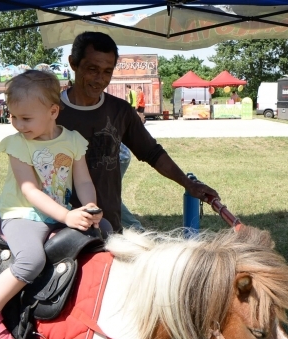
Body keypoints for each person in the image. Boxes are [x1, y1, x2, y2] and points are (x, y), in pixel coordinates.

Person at [0, 70, 104, 339]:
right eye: (13, 116)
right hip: (22, 214)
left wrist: (89, 207)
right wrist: (67, 217)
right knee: (31, 260)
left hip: (58, 213)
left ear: (53, 111)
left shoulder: (73, 140)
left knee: (103, 242)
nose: (18, 124)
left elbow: (82, 181)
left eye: (26, 118)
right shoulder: (19, 144)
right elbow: (30, 190)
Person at [56, 31, 218, 233]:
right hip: (57, 226)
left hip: (107, 226)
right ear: (73, 63)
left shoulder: (120, 111)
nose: (100, 79)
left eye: (108, 71)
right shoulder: (51, 110)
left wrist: (188, 184)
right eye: (92, 69)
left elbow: (152, 152)